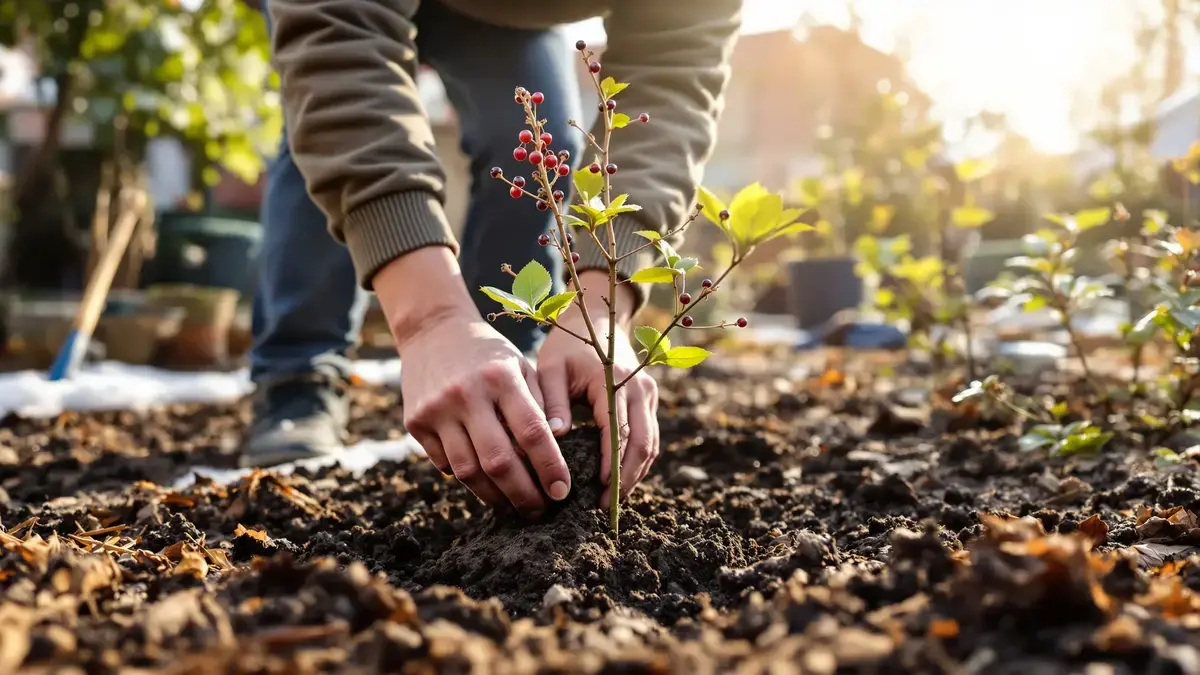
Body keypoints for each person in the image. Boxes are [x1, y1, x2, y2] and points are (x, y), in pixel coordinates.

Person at [246, 0, 741, 519]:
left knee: (537, 142)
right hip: (342, 8)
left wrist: (599, 306)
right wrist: (429, 321)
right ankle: (297, 376)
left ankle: (511, 380)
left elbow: (676, 65)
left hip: (503, 11)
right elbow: (337, 44)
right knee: (328, 127)